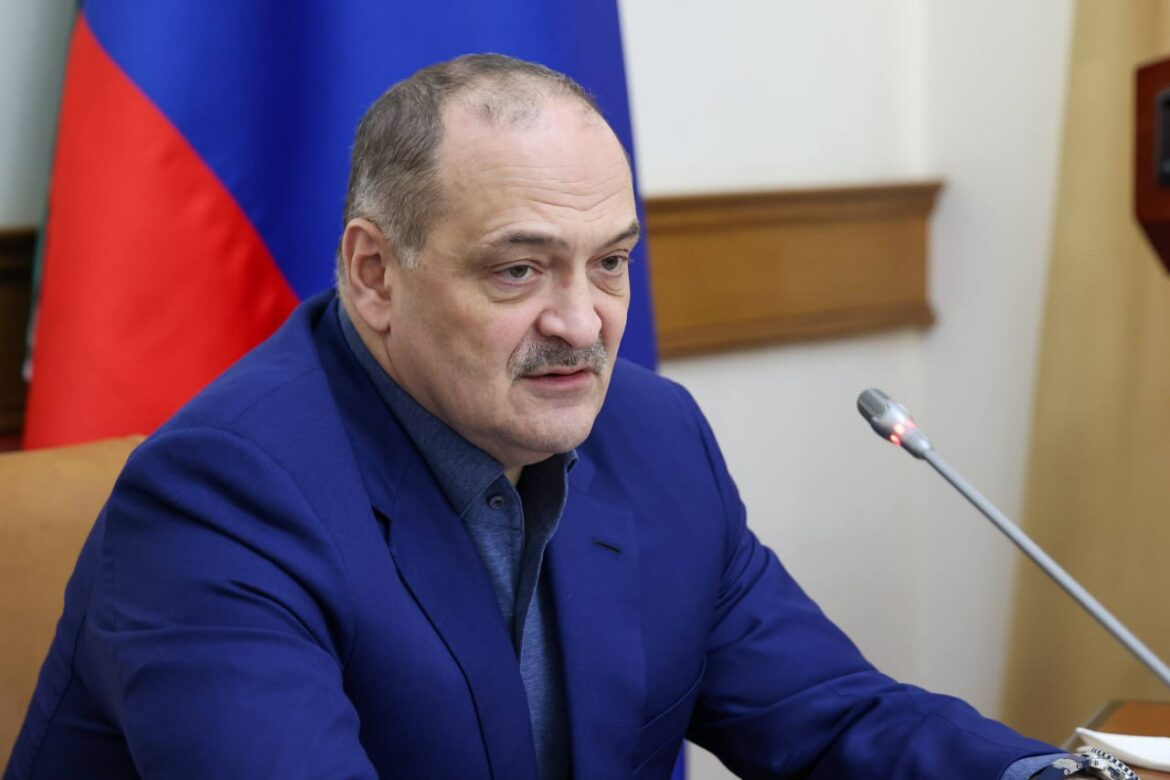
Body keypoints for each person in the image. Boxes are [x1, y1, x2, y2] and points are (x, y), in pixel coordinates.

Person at [6, 55, 1136, 780]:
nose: (584, 323)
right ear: (374, 274)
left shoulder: (654, 437)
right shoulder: (223, 500)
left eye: (611, 263)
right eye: (519, 270)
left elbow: (832, 721)